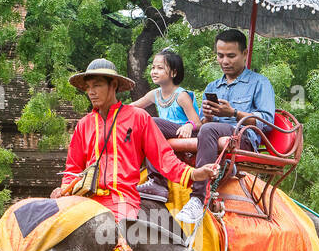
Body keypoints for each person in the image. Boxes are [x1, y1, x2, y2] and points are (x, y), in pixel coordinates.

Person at [61, 58, 220, 224]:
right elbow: (73, 168)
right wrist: (63, 191)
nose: (91, 92)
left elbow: (164, 157)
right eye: (88, 87)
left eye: (97, 85)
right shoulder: (83, 124)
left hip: (122, 200)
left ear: (113, 85)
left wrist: (195, 174)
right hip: (86, 198)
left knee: (114, 239)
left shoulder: (139, 118)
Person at [176, 29, 275, 225]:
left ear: (245, 54)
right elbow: (204, 123)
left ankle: (198, 198)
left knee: (208, 130)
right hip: (211, 133)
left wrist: (233, 113)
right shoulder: (212, 87)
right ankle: (157, 182)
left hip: (242, 138)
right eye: (220, 56)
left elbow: (267, 123)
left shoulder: (259, 83)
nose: (225, 61)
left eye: (231, 56)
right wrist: (209, 116)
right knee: (156, 123)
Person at [129, 48, 200, 203]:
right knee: (139, 125)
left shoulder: (181, 96)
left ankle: (158, 182)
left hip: (184, 133)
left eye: (160, 68)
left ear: (173, 73)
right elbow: (132, 107)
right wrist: (112, 111)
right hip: (162, 133)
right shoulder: (155, 94)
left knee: (150, 122)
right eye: (153, 67)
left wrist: (189, 125)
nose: (154, 71)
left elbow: (197, 121)